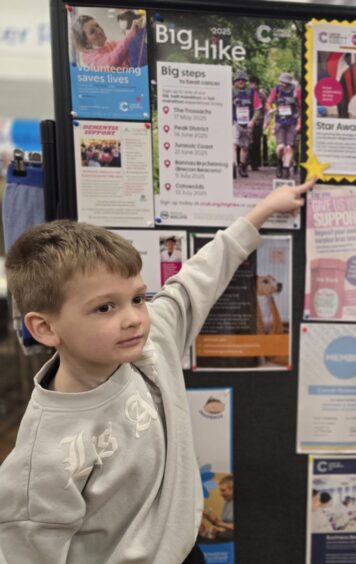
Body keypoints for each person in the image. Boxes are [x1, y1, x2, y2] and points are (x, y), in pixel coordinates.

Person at [0, 178, 314, 563]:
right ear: (45, 328)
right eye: (104, 308)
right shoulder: (42, 458)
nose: (133, 318)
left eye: (137, 298)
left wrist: (263, 210)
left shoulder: (149, 346)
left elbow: (193, 281)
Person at [70, 13, 143, 69]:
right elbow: (111, 62)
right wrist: (131, 33)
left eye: (97, 25)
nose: (99, 30)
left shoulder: (109, 44)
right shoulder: (88, 57)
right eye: (92, 31)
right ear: (85, 41)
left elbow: (127, 47)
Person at [266, 72, 301, 179]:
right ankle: (279, 163)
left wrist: (299, 123)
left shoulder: (296, 91)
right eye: (280, 81)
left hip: (292, 122)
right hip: (279, 121)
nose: (281, 84)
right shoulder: (276, 90)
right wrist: (270, 109)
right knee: (281, 147)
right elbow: (268, 102)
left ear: (288, 83)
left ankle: (286, 169)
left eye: (284, 82)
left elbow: (301, 108)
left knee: (289, 147)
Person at [232, 70, 263, 179]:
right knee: (234, 144)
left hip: (247, 123)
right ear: (235, 81)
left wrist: (252, 121)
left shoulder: (252, 92)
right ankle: (233, 166)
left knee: (245, 147)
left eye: (243, 80)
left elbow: (258, 108)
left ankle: (242, 166)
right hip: (234, 122)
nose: (241, 81)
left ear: (246, 81)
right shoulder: (231, 92)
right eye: (238, 80)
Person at [203, 475, 234, 540]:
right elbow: (225, 524)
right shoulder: (227, 502)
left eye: (223, 490)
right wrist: (212, 520)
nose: (221, 494)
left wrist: (218, 523)